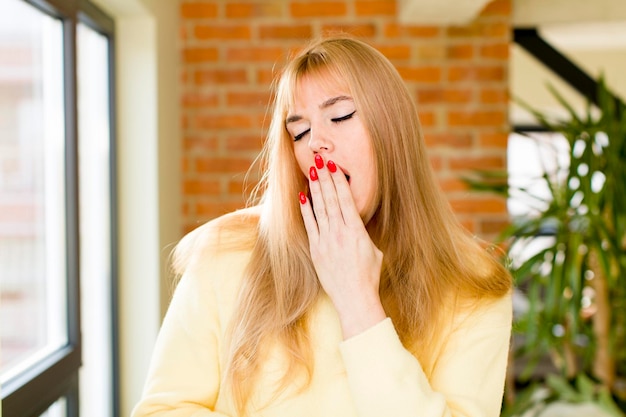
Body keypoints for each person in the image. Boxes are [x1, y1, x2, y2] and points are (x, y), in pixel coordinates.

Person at [131, 36, 513, 417]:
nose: (315, 143)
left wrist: (358, 301)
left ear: (393, 131)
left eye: (341, 116)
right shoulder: (225, 252)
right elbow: (163, 410)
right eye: (299, 132)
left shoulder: (475, 287)